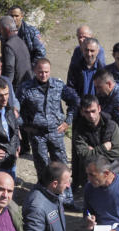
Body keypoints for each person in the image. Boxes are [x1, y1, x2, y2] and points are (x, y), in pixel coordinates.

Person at [18, 58, 79, 196]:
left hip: (56, 132)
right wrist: (24, 126)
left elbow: (74, 101)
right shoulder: (25, 88)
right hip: (37, 134)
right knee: (42, 167)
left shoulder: (58, 85)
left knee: (62, 166)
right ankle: (45, 196)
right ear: (34, 71)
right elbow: (16, 110)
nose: (43, 75)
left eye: (46, 72)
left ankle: (66, 197)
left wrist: (67, 121)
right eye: (40, 72)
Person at [71, 95, 119, 200]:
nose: (91, 115)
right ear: (82, 112)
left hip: (112, 168)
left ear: (99, 108)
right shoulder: (79, 130)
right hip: (91, 172)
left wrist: (93, 151)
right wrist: (103, 148)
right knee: (94, 201)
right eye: (87, 112)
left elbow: (117, 152)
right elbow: (83, 155)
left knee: (114, 198)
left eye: (93, 111)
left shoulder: (111, 125)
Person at [0, 15, 32, 91]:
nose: (0, 31)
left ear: (6, 29)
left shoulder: (9, 46)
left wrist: (5, 88)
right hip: (27, 83)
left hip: (17, 87)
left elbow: (10, 70)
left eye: (0, 29)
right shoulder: (20, 41)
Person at [67, 34, 103, 98]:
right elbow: (70, 89)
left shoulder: (103, 70)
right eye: (86, 50)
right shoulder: (75, 67)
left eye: (92, 51)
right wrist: (79, 103)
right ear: (82, 50)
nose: (89, 54)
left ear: (98, 51)